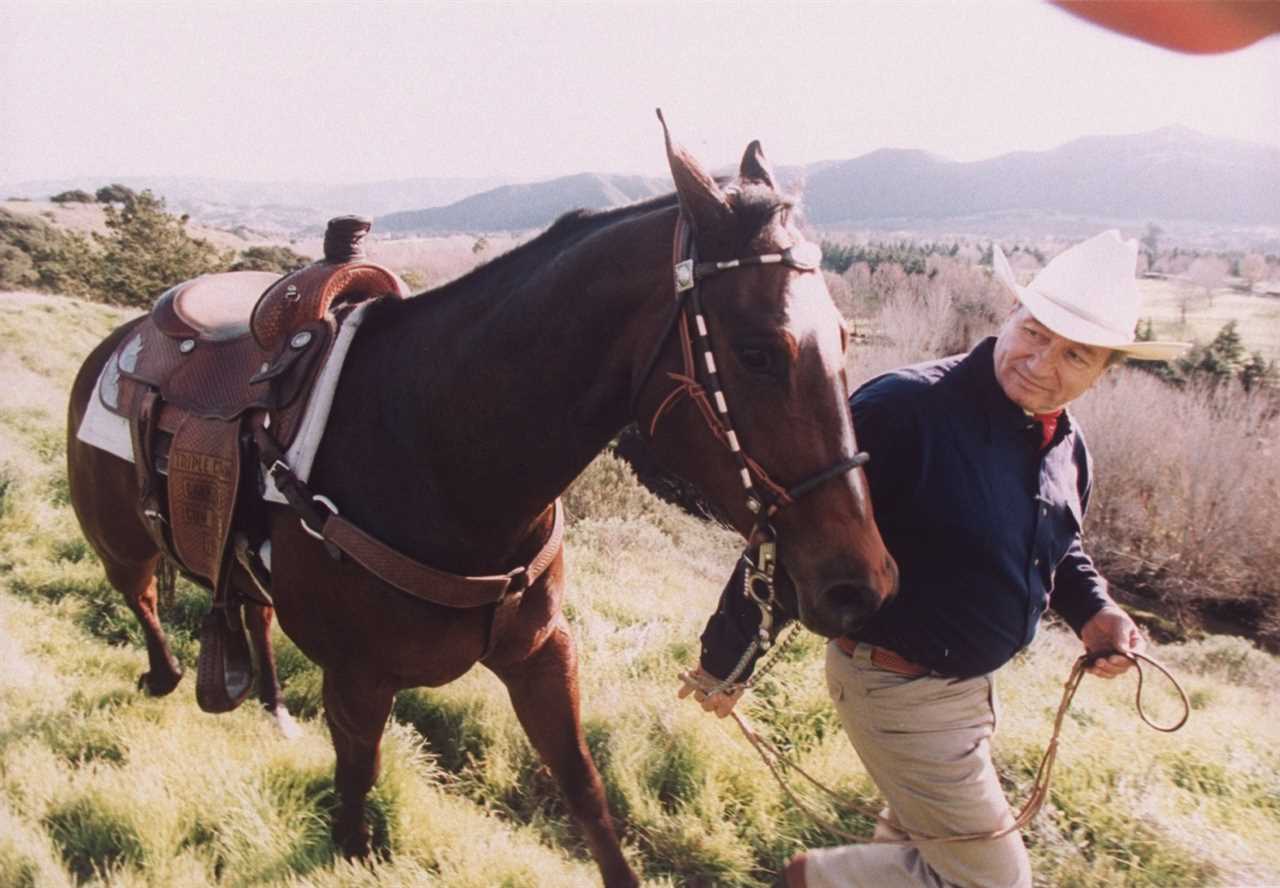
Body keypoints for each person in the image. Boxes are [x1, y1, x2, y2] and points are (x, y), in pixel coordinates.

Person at [677, 230, 1189, 888]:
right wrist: (729, 657)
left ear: (1102, 372)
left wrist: (1097, 612)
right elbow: (791, 537)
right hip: (897, 689)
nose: (1039, 361)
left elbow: (1056, 547)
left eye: (1074, 353)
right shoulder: (905, 410)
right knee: (989, 882)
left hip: (968, 695)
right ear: (1009, 316)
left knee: (922, 862)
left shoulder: (1066, 446)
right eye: (1033, 332)